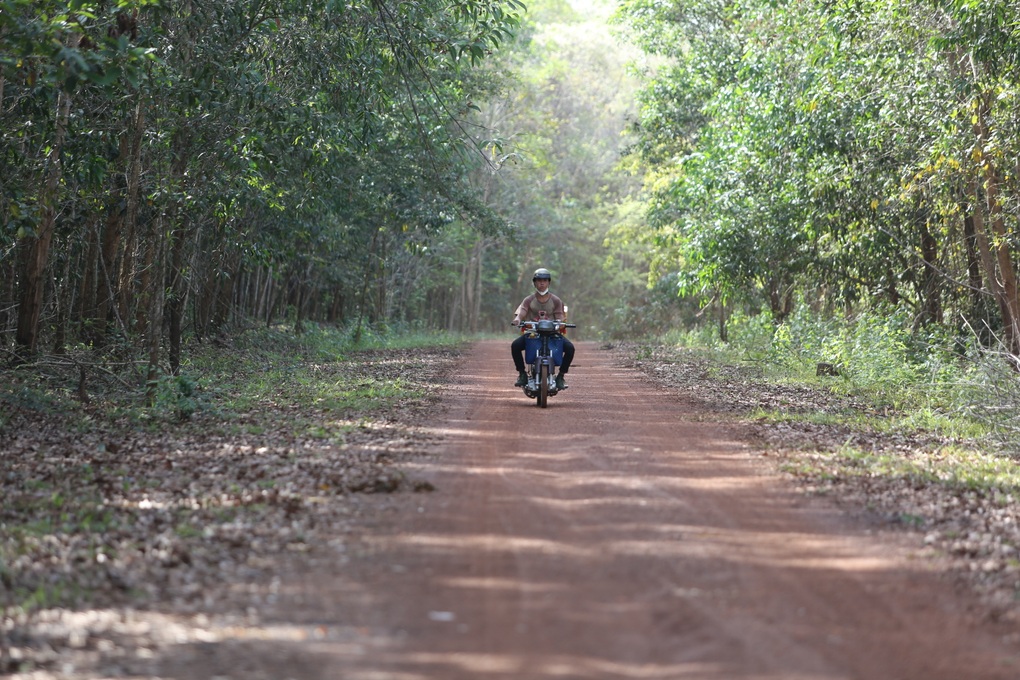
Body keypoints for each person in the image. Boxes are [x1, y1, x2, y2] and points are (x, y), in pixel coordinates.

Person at [511, 268, 575, 390]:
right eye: (539, 280)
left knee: (570, 348)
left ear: (549, 282)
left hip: (552, 335)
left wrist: (560, 322)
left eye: (545, 280)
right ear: (534, 283)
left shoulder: (556, 300)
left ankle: (561, 376)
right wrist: (518, 319)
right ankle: (522, 374)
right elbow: (522, 311)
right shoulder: (529, 300)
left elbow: (560, 316)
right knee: (515, 346)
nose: (542, 283)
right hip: (533, 334)